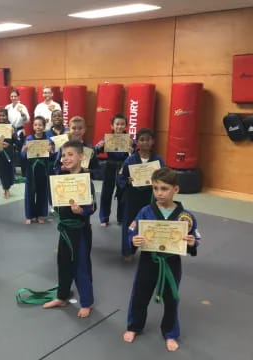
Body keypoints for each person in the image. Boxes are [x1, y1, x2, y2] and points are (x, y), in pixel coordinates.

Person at [123, 167, 201, 352]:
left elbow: (196, 237)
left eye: (164, 188)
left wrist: (191, 242)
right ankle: (134, 326)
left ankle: (170, 332)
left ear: (176, 189)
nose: (159, 193)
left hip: (171, 263)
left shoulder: (185, 217)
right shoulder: (145, 211)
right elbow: (131, 231)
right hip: (148, 261)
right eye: (155, 188)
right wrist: (133, 240)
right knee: (140, 295)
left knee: (171, 299)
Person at [43, 140, 96, 318]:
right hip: (65, 230)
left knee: (81, 265)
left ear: (81, 157)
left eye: (70, 154)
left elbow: (93, 205)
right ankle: (62, 296)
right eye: (63, 155)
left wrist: (83, 210)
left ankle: (87, 302)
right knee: (63, 263)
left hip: (80, 230)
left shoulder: (86, 179)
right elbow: (53, 200)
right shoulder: (59, 177)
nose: (66, 158)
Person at [117, 128, 165, 260]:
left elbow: (165, 177)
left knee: (150, 222)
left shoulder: (158, 161)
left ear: (153, 141)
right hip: (132, 197)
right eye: (142, 140)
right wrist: (127, 181)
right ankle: (128, 250)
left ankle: (150, 250)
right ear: (137, 142)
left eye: (148, 140)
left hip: (150, 196)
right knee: (130, 223)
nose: (145, 143)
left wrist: (158, 182)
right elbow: (121, 177)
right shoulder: (130, 160)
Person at [94, 114, 133, 227]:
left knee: (122, 193)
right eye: (117, 124)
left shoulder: (129, 140)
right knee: (106, 192)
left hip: (124, 167)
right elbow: (96, 151)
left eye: (122, 124)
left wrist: (131, 150)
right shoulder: (107, 138)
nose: (119, 127)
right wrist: (99, 146)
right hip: (110, 166)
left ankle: (121, 217)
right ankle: (104, 218)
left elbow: (135, 153)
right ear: (112, 125)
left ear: (126, 126)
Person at [21, 116, 54, 224]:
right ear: (33, 126)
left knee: (42, 192)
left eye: (40, 125)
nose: (38, 127)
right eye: (36, 125)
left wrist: (51, 150)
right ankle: (29, 216)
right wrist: (24, 150)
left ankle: (40, 215)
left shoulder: (48, 139)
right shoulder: (29, 139)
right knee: (30, 192)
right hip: (31, 170)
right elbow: (22, 155)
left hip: (43, 169)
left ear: (44, 126)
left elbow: (53, 154)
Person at [0, 108, 16, 199]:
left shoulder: (11, 126)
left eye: (3, 115)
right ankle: (6, 189)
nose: (2, 117)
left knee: (9, 171)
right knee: (2, 172)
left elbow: (16, 142)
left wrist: (13, 134)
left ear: (7, 116)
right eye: (0, 115)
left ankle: (8, 186)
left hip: (9, 151)